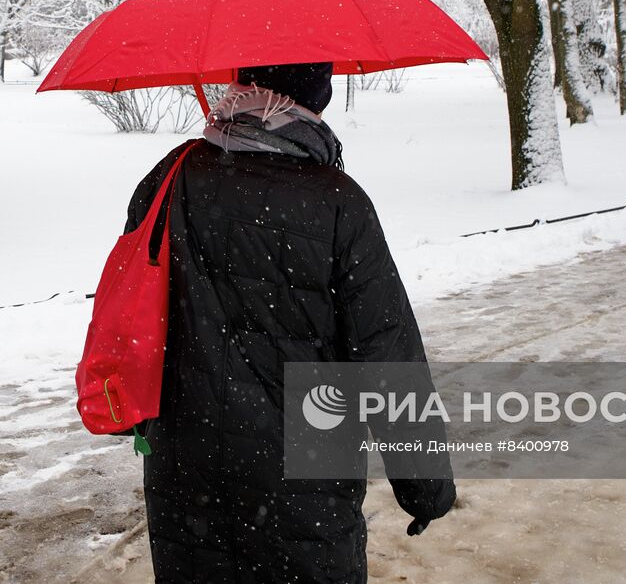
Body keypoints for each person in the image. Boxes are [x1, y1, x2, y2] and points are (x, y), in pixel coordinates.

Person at [124, 61, 455, 583]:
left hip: (185, 453)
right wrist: (424, 487)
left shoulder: (170, 176)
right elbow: (388, 355)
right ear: (313, 99)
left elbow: (134, 305)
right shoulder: (337, 201)